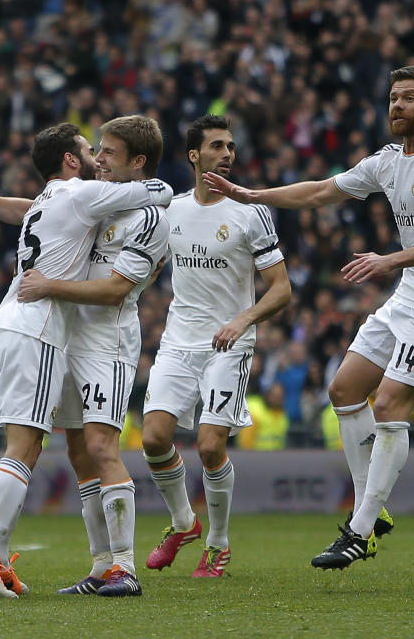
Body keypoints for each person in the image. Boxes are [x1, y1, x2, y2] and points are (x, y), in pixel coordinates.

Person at [204, 65, 414, 570]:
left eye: (409, 98)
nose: (397, 106)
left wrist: (389, 260)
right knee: (344, 390)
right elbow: (321, 191)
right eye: (393, 97)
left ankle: (359, 530)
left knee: (392, 404)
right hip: (407, 297)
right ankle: (371, 509)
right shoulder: (388, 160)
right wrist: (255, 195)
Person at [0, 122, 172, 599]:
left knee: (89, 448)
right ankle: (7, 556)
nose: (100, 156)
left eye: (109, 151)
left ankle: (120, 567)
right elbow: (47, 205)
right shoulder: (86, 196)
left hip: (98, 340)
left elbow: (117, 283)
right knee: (42, 448)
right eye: (94, 150)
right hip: (48, 333)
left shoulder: (123, 209)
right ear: (73, 160)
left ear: (135, 161)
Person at [141, 115, 292, 578]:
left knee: (210, 447)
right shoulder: (174, 211)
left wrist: (242, 320)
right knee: (153, 439)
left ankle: (218, 543)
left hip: (230, 345)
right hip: (178, 341)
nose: (227, 155)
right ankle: (184, 522)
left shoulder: (251, 212)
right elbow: (149, 267)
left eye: (230, 146)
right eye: (216, 146)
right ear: (193, 155)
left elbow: (281, 289)